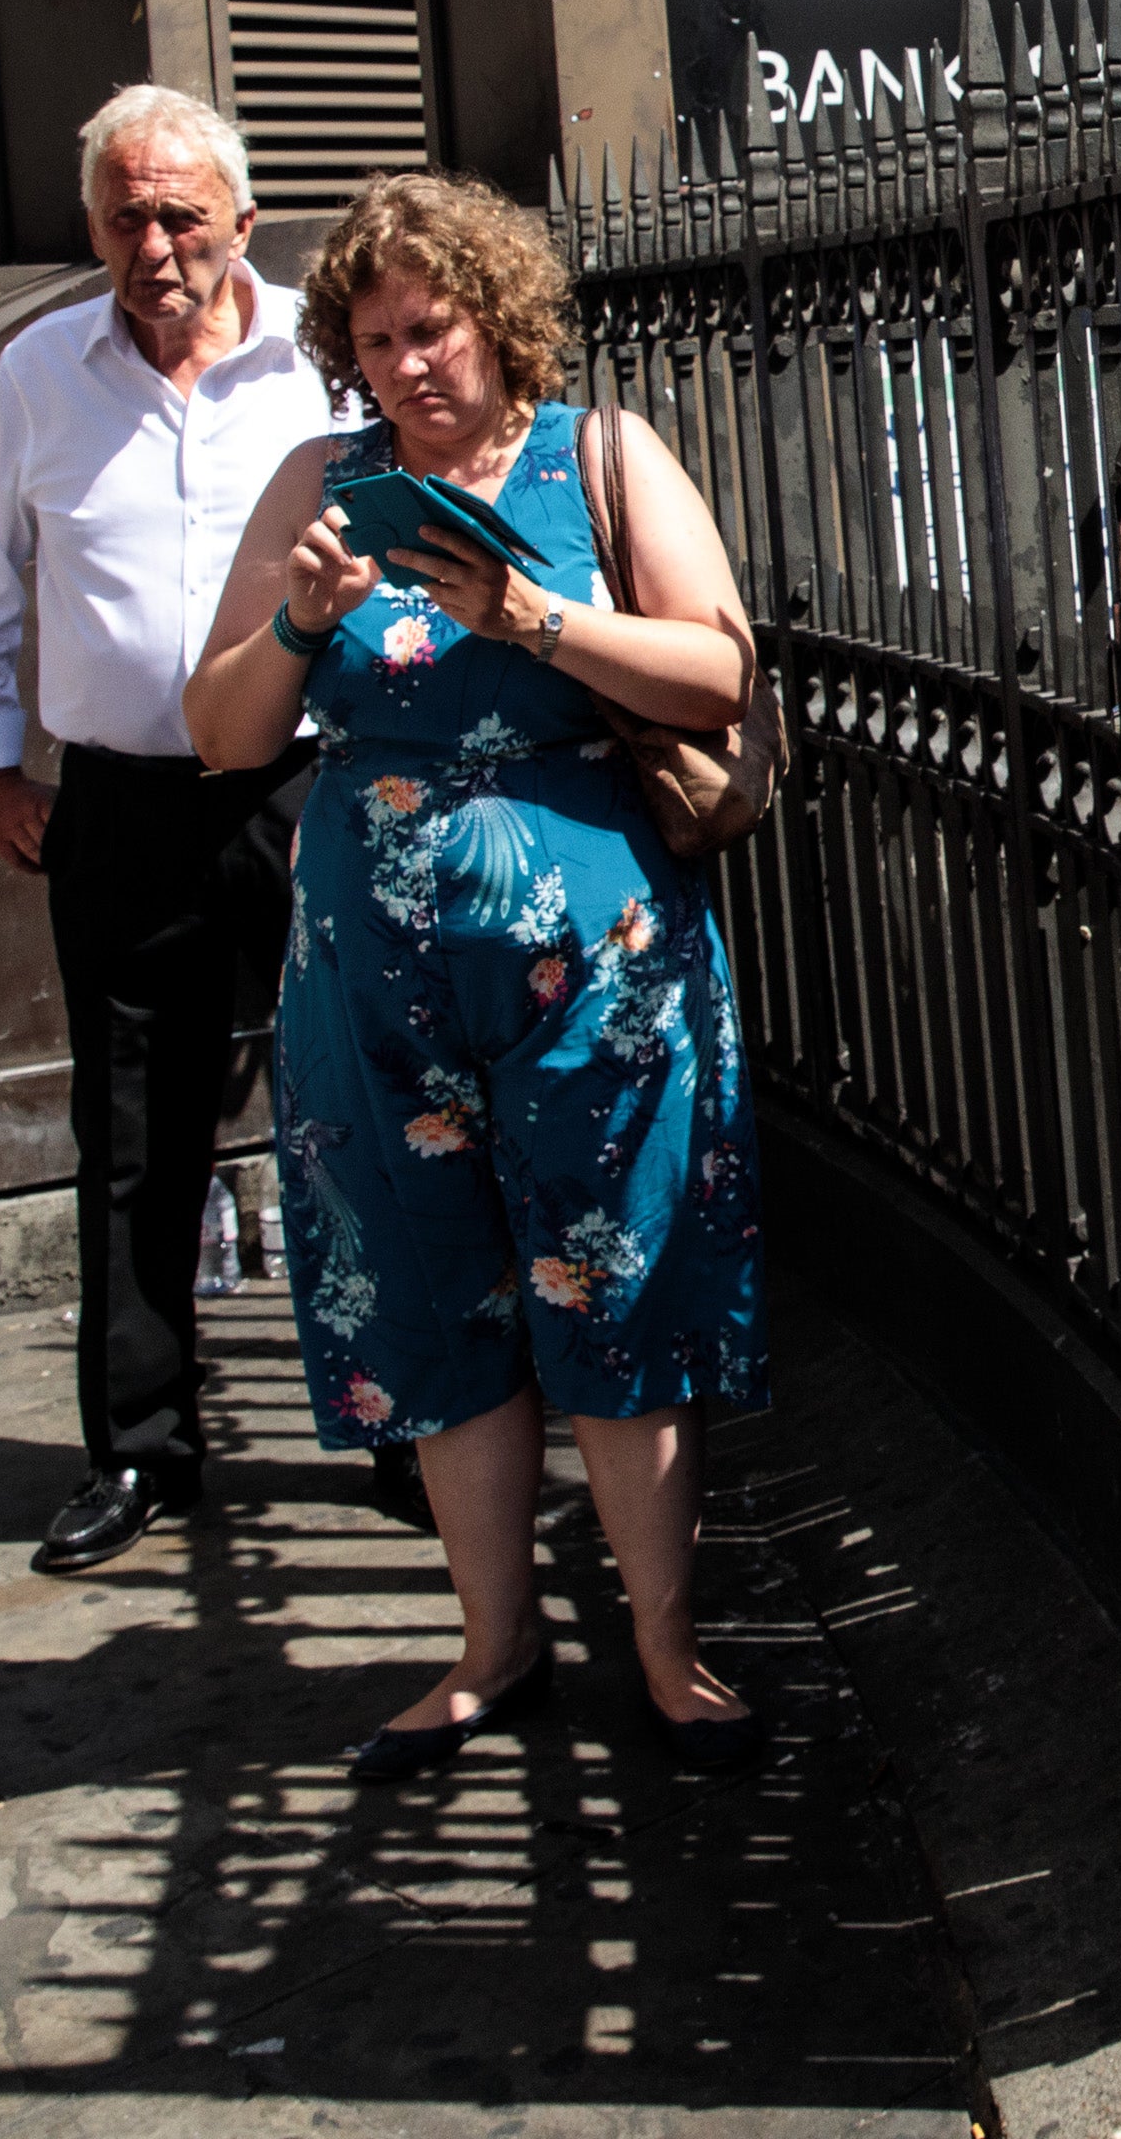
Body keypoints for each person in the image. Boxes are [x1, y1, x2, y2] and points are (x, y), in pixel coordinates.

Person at [182, 170, 769, 1779]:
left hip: (598, 966)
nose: (406, 366)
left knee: (619, 1276)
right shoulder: (324, 483)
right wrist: (302, 625)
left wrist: (535, 615)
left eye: (429, 328)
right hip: (375, 974)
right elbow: (220, 732)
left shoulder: (599, 457)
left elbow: (719, 667)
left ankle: (662, 1646)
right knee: (436, 1293)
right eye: (373, 340)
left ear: (496, 320)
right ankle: (493, 1647)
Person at [0, 86, 345, 1574]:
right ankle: (144, 1451)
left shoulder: (322, 359)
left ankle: (411, 1425)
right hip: (122, 802)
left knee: (358, 1113)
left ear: (240, 212)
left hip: (307, 790)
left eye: (180, 214)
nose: (153, 245)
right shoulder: (41, 373)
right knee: (132, 1135)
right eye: (123, 216)